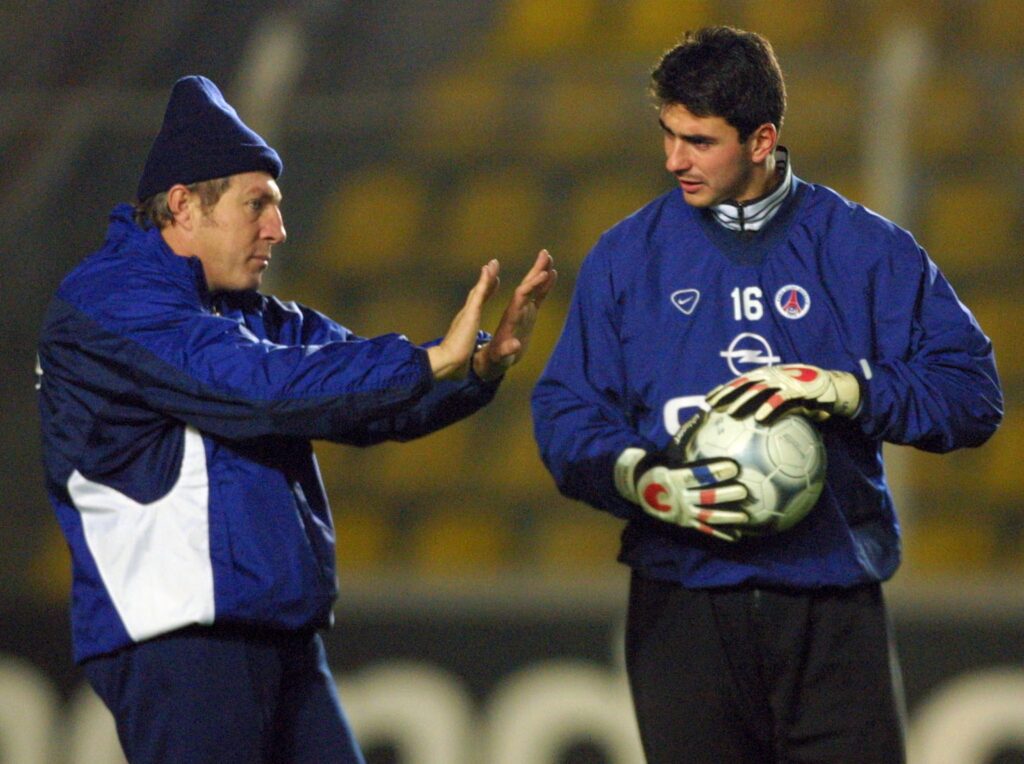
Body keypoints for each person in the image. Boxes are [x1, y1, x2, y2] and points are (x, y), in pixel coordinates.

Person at [37, 75, 555, 764]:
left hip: (276, 634)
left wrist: (478, 366)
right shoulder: (111, 302)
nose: (277, 228)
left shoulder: (244, 313)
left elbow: (359, 399)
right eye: (258, 205)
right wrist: (431, 361)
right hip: (181, 642)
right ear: (185, 207)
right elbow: (259, 388)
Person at [531, 26, 1001, 764]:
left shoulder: (864, 250)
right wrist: (642, 480)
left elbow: (972, 392)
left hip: (830, 608)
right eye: (667, 134)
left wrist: (850, 389)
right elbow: (565, 411)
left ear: (762, 140)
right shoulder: (629, 255)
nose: (672, 160)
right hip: (681, 606)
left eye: (698, 141)